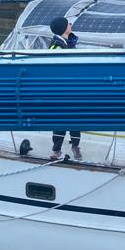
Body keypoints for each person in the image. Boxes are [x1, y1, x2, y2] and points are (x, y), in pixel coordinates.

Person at [49, 16, 81, 160]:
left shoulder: (69, 42)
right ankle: (57, 149)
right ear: (63, 28)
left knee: (75, 117)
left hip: (72, 87)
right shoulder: (56, 46)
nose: (70, 25)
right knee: (61, 117)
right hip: (61, 89)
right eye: (68, 23)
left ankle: (75, 145)